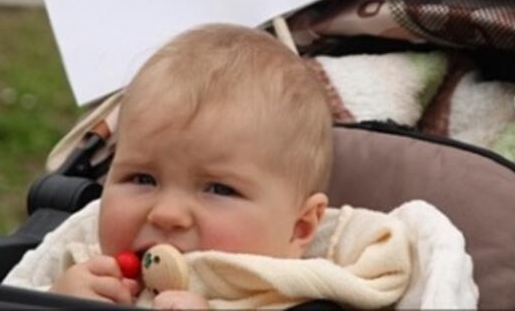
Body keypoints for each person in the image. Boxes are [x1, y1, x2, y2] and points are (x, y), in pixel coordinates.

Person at [44, 24, 332, 308]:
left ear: (299, 228)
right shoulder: (81, 267)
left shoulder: (302, 296)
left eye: (219, 189)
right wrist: (48, 302)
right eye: (143, 179)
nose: (166, 214)